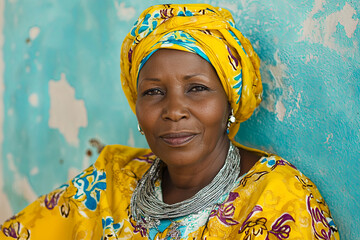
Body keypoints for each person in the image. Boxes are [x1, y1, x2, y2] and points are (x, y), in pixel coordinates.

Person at [0, 4, 339, 240]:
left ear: (229, 102)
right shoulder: (112, 181)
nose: (174, 110)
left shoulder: (278, 199)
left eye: (197, 89)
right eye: (153, 92)